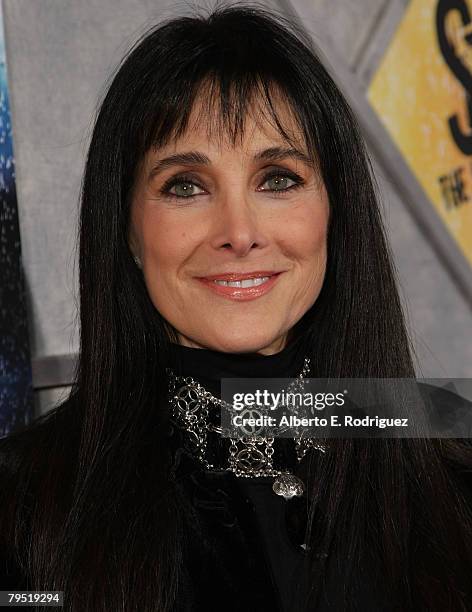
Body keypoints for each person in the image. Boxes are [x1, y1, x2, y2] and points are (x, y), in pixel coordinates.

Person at [1, 4, 472, 611]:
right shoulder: (22, 509)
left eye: (277, 178)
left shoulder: (452, 467)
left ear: (336, 211)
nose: (239, 232)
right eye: (185, 186)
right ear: (127, 234)